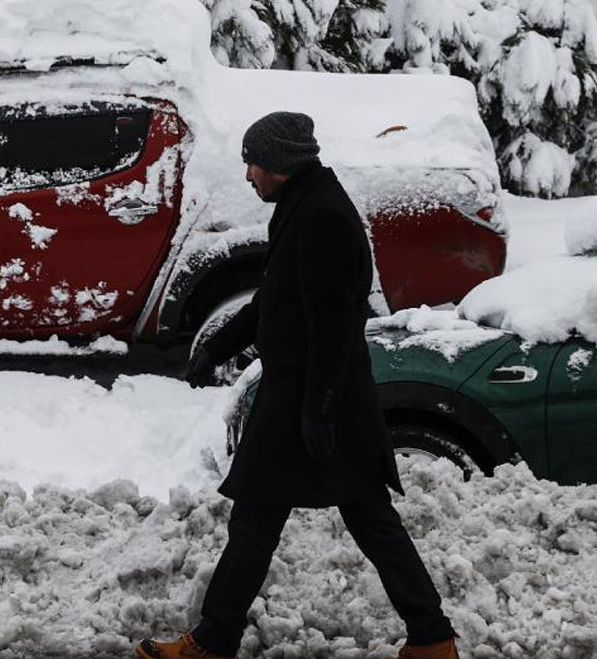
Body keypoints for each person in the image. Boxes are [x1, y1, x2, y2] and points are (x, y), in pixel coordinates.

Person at [135, 111, 459, 659]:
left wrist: (320, 410)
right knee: (332, 518)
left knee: (289, 519)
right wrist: (218, 346)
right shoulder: (303, 205)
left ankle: (213, 643)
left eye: (252, 164)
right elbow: (276, 297)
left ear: (278, 164)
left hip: (313, 402)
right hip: (313, 399)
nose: (248, 176)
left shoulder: (322, 217)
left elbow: (334, 326)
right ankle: (431, 637)